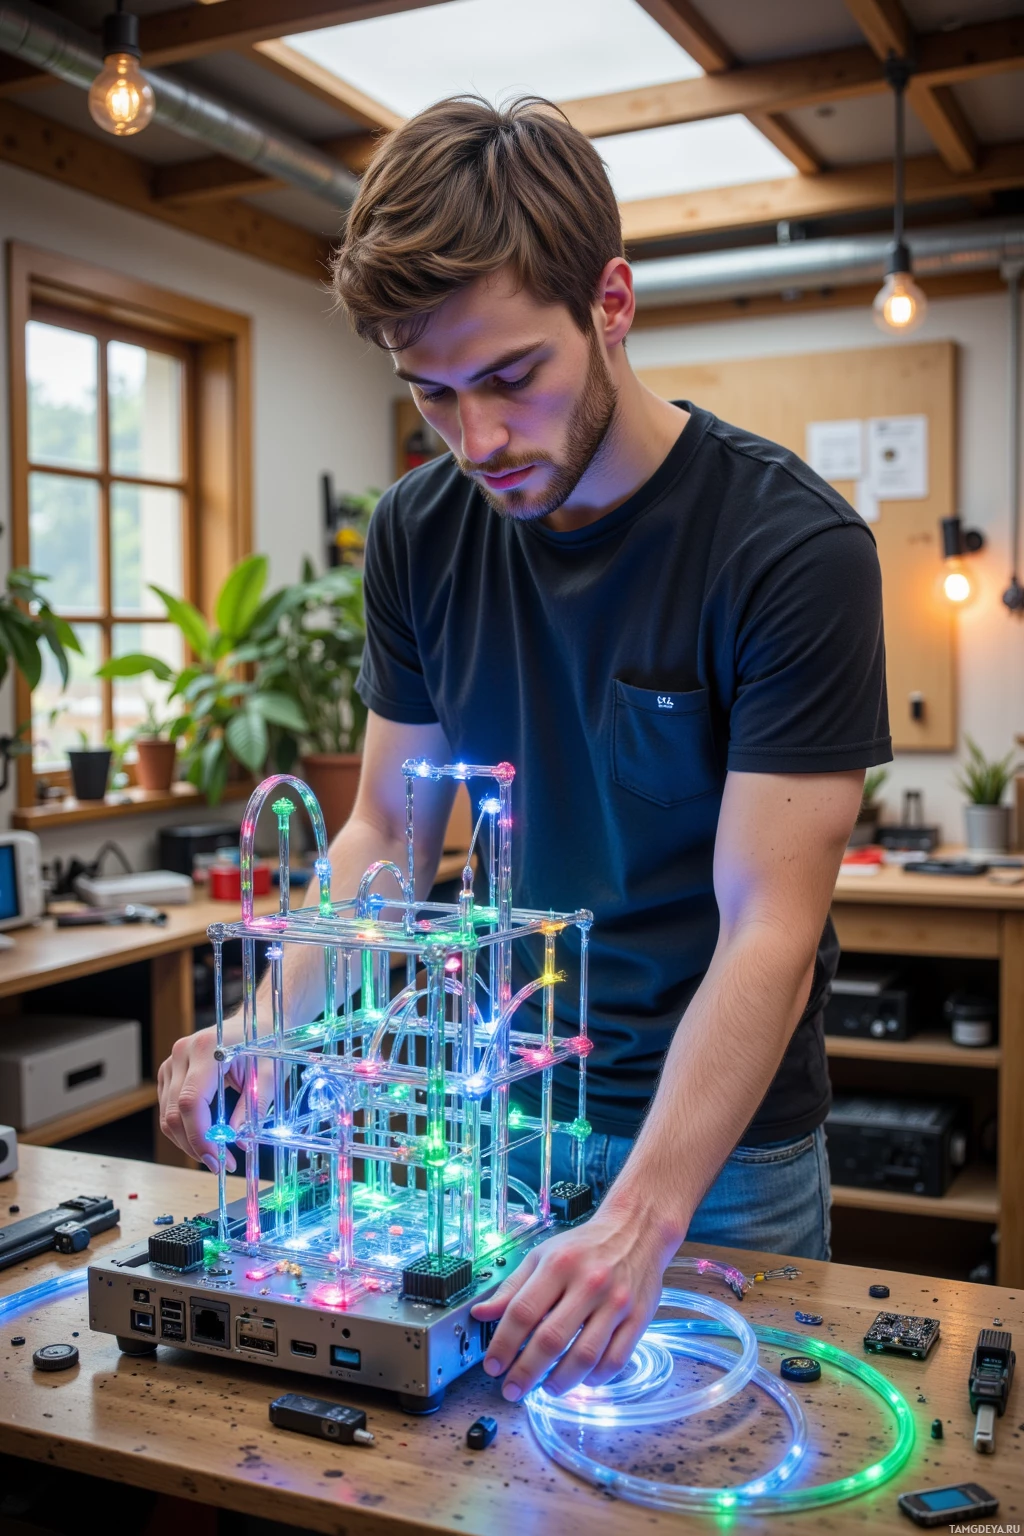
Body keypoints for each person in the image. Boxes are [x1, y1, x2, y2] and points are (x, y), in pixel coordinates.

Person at [158, 96, 890, 1407]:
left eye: (509, 378)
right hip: (496, 1125)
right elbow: (386, 833)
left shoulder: (791, 551)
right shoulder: (417, 535)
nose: (477, 440)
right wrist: (265, 1034)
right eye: (431, 395)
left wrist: (646, 1213)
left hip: (719, 1157)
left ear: (611, 302)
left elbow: (769, 926)